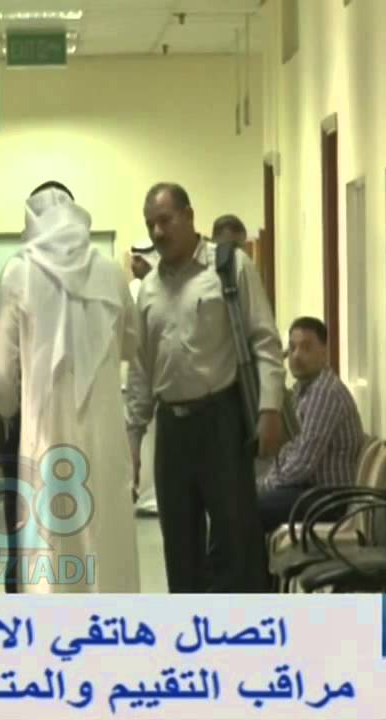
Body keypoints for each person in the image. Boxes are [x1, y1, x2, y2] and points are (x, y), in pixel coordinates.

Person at [126, 182, 285, 593]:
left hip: (221, 421)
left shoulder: (229, 268)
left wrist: (270, 408)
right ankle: (190, 626)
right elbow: (141, 372)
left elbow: (264, 340)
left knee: (236, 541)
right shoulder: (148, 290)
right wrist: (132, 443)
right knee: (179, 545)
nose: (158, 232)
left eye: (165, 220)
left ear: (189, 216)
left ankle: (243, 627)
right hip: (171, 430)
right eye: (150, 224)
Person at [0, 181, 141, 593]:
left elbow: (1, 372)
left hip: (45, 433)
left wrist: (9, 412)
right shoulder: (110, 271)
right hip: (104, 433)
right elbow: (132, 343)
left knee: (50, 540)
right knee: (107, 537)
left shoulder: (19, 271)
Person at [257, 317, 364, 533]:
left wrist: (266, 485)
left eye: (306, 348)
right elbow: (290, 449)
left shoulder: (325, 392)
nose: (296, 355)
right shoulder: (302, 390)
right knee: (243, 502)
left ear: (324, 352)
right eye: (292, 348)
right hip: (308, 492)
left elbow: (303, 463)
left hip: (329, 500)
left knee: (250, 508)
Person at [127, 241, 160, 516]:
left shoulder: (153, 288)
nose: (132, 264)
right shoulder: (136, 290)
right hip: (139, 384)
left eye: (138, 259)